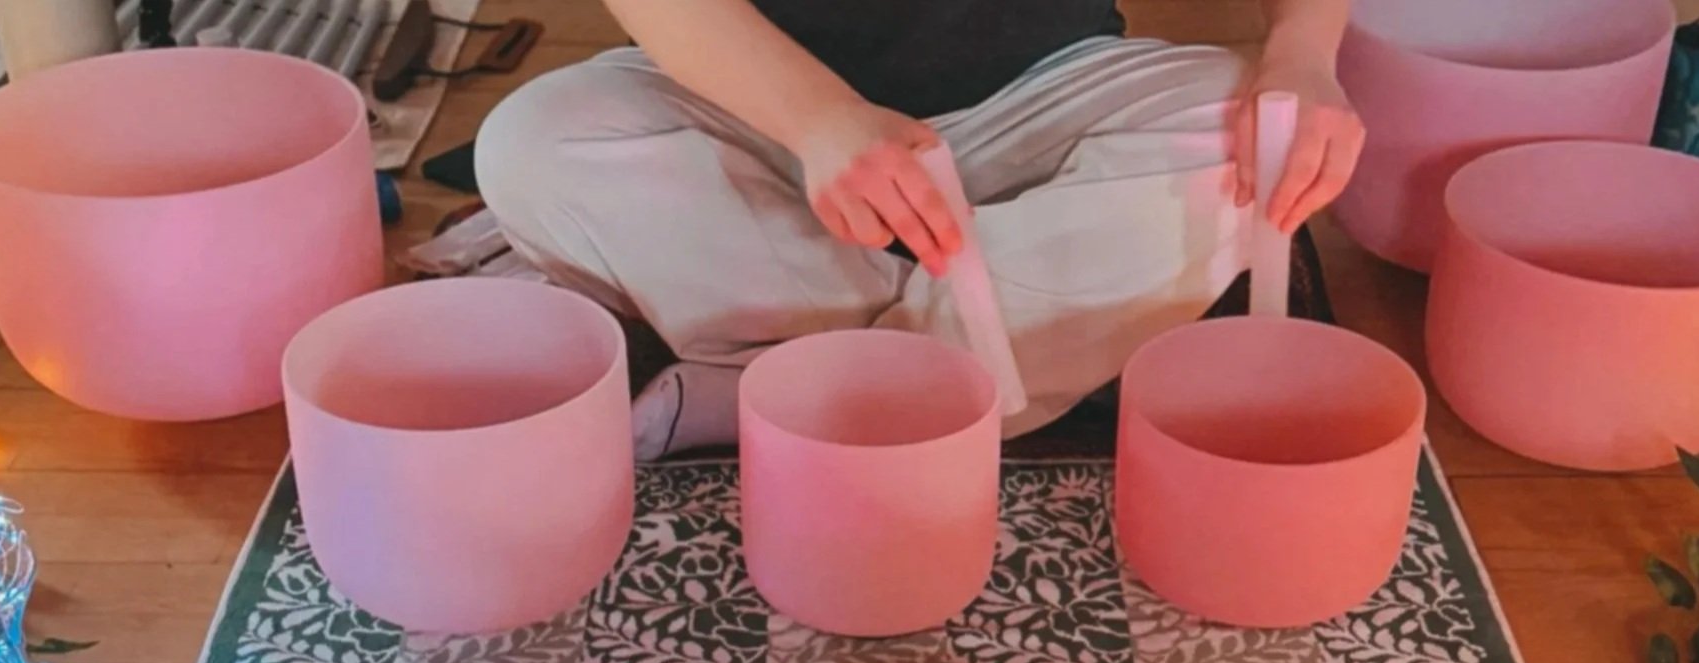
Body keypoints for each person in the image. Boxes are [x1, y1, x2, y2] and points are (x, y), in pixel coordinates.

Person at [474, 0, 1364, 458]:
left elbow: (1287, 70)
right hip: (772, 115)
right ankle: (963, 372)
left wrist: (1304, 56)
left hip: (1049, 98)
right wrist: (820, 120)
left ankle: (789, 386)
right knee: (533, 143)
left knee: (1235, 128)